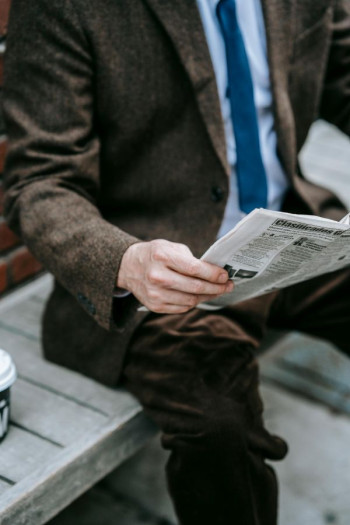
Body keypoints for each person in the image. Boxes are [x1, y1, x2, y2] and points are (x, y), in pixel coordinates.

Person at [3, 0, 350, 523]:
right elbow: (39, 179)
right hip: (160, 277)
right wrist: (123, 261)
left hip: (296, 230)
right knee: (220, 433)